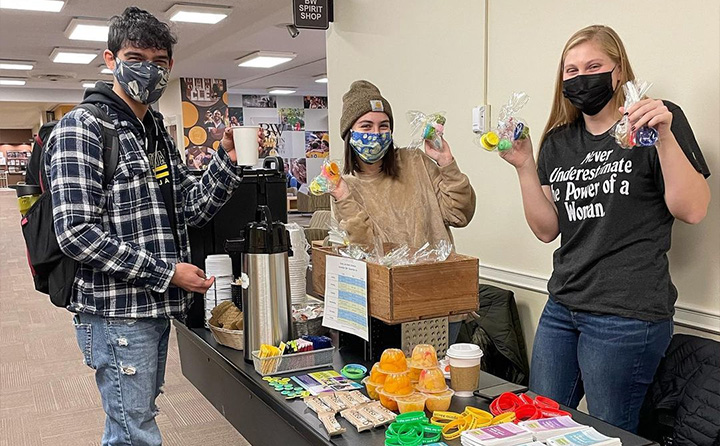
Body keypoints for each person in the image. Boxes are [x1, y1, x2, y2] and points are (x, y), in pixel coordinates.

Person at [44, 7, 252, 445]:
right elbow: (76, 234)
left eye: (160, 62)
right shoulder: (81, 129)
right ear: (110, 59)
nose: (149, 71)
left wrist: (227, 160)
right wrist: (167, 272)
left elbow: (189, 208)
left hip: (155, 309)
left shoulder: (153, 129)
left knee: (129, 420)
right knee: (135, 430)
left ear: (171, 66)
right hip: (115, 312)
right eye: (136, 57)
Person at [500, 25, 711, 432]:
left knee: (608, 433)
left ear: (618, 72)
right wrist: (525, 165)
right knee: (538, 425)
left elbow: (693, 210)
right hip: (562, 305)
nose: (582, 77)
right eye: (571, 70)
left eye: (594, 66)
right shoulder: (559, 140)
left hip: (626, 315)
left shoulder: (655, 122)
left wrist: (664, 137)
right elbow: (547, 230)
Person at [331, 81, 476, 342]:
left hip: (439, 301)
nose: (375, 134)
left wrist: (446, 164)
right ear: (349, 134)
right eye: (366, 126)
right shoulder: (345, 187)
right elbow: (364, 249)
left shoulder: (415, 162)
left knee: (434, 380)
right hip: (386, 309)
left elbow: (460, 214)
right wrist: (343, 198)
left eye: (383, 126)